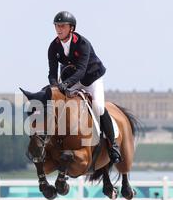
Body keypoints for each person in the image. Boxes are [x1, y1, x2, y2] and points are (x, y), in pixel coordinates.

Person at [47, 11, 121, 163]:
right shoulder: (53, 47)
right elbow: (52, 73)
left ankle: (112, 145)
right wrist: (55, 88)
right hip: (71, 80)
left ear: (71, 28)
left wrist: (65, 84)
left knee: (98, 107)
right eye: (57, 26)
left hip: (92, 78)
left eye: (62, 26)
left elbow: (81, 70)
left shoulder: (82, 44)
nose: (59, 29)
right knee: (60, 105)